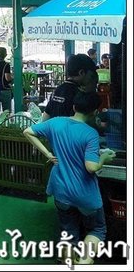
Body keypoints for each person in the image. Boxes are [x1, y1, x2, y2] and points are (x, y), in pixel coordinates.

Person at [24, 91, 114, 265]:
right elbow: (91, 167)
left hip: (61, 190)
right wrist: (104, 158)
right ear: (95, 112)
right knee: (97, 229)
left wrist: (48, 154)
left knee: (68, 231)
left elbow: (27, 131)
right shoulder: (90, 133)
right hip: (85, 194)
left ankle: (67, 263)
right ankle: (83, 263)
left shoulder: (56, 122)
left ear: (74, 107)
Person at [43, 54, 98, 121]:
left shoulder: (58, 90)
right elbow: (85, 121)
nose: (91, 78)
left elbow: (46, 116)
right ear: (81, 73)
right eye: (91, 75)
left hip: (53, 127)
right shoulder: (80, 94)